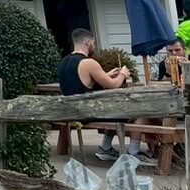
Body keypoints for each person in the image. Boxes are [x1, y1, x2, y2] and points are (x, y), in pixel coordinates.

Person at [57, 28, 143, 163]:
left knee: (113, 109)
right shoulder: (89, 63)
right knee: (138, 113)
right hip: (88, 114)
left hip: (71, 112)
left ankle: (106, 148)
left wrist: (106, 75)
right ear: (87, 42)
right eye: (93, 43)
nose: (94, 46)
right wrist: (123, 74)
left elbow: (81, 82)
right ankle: (133, 153)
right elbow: (113, 85)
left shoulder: (64, 62)